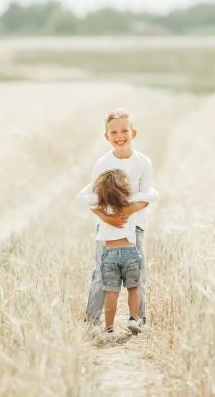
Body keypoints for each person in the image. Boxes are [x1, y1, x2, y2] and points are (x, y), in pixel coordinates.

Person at [76, 108, 158, 329]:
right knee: (100, 273)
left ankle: (139, 319)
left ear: (134, 133)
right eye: (113, 132)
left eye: (124, 130)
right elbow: (91, 199)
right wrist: (108, 218)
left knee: (137, 273)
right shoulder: (103, 164)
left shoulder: (143, 163)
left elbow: (148, 197)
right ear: (107, 136)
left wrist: (126, 211)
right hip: (107, 228)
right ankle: (92, 321)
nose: (119, 136)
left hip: (135, 226)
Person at [91, 168, 143, 336]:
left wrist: (103, 215)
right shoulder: (129, 206)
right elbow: (148, 200)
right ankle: (134, 319)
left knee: (111, 292)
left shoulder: (103, 207)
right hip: (130, 251)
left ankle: (108, 329)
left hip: (110, 253)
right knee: (133, 288)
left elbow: (89, 203)